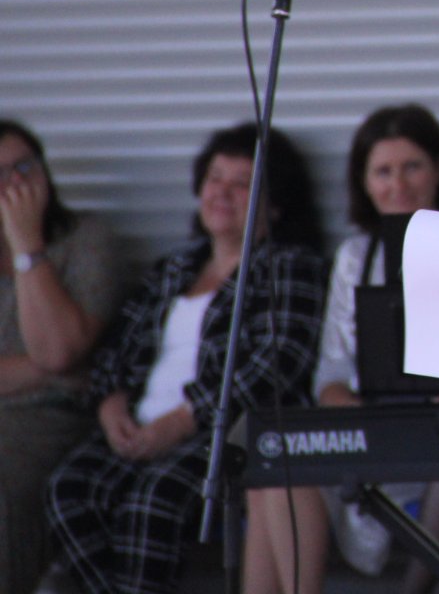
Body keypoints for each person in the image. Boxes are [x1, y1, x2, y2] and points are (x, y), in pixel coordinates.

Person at [45, 124, 325, 594]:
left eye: (242, 183)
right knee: (68, 492)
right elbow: (115, 347)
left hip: (217, 431)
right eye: (215, 178)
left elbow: (277, 365)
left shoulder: (290, 267)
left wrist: (181, 420)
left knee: (151, 502)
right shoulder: (174, 268)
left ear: (275, 204)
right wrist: (110, 405)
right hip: (136, 426)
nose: (222, 193)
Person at [244, 104, 439, 594]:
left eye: (412, 167)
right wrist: (350, 407)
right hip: (372, 431)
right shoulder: (355, 257)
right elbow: (331, 373)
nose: (398, 184)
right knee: (273, 475)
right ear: (363, 183)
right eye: (383, 171)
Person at [0, 121, 121, 594]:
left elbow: (59, 350)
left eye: (24, 167)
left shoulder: (87, 240)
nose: (15, 183)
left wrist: (27, 246)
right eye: (0, 174)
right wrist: (51, 373)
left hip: (53, 420)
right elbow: (57, 367)